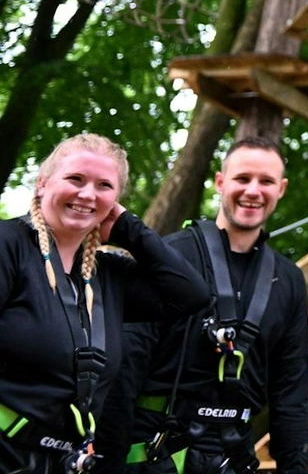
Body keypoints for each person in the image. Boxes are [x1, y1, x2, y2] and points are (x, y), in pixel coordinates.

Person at [100, 137, 308, 474]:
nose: (253, 191)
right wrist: (108, 463)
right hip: (153, 450)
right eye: (242, 179)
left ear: (281, 189)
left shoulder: (288, 281)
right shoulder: (172, 258)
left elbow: (292, 393)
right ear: (220, 182)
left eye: (266, 181)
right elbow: (127, 368)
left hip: (233, 457)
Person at [0, 133, 209, 474]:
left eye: (103, 186)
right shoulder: (8, 246)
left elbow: (191, 295)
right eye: (75, 179)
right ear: (42, 184)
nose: (87, 194)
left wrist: (130, 229)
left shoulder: (108, 276)